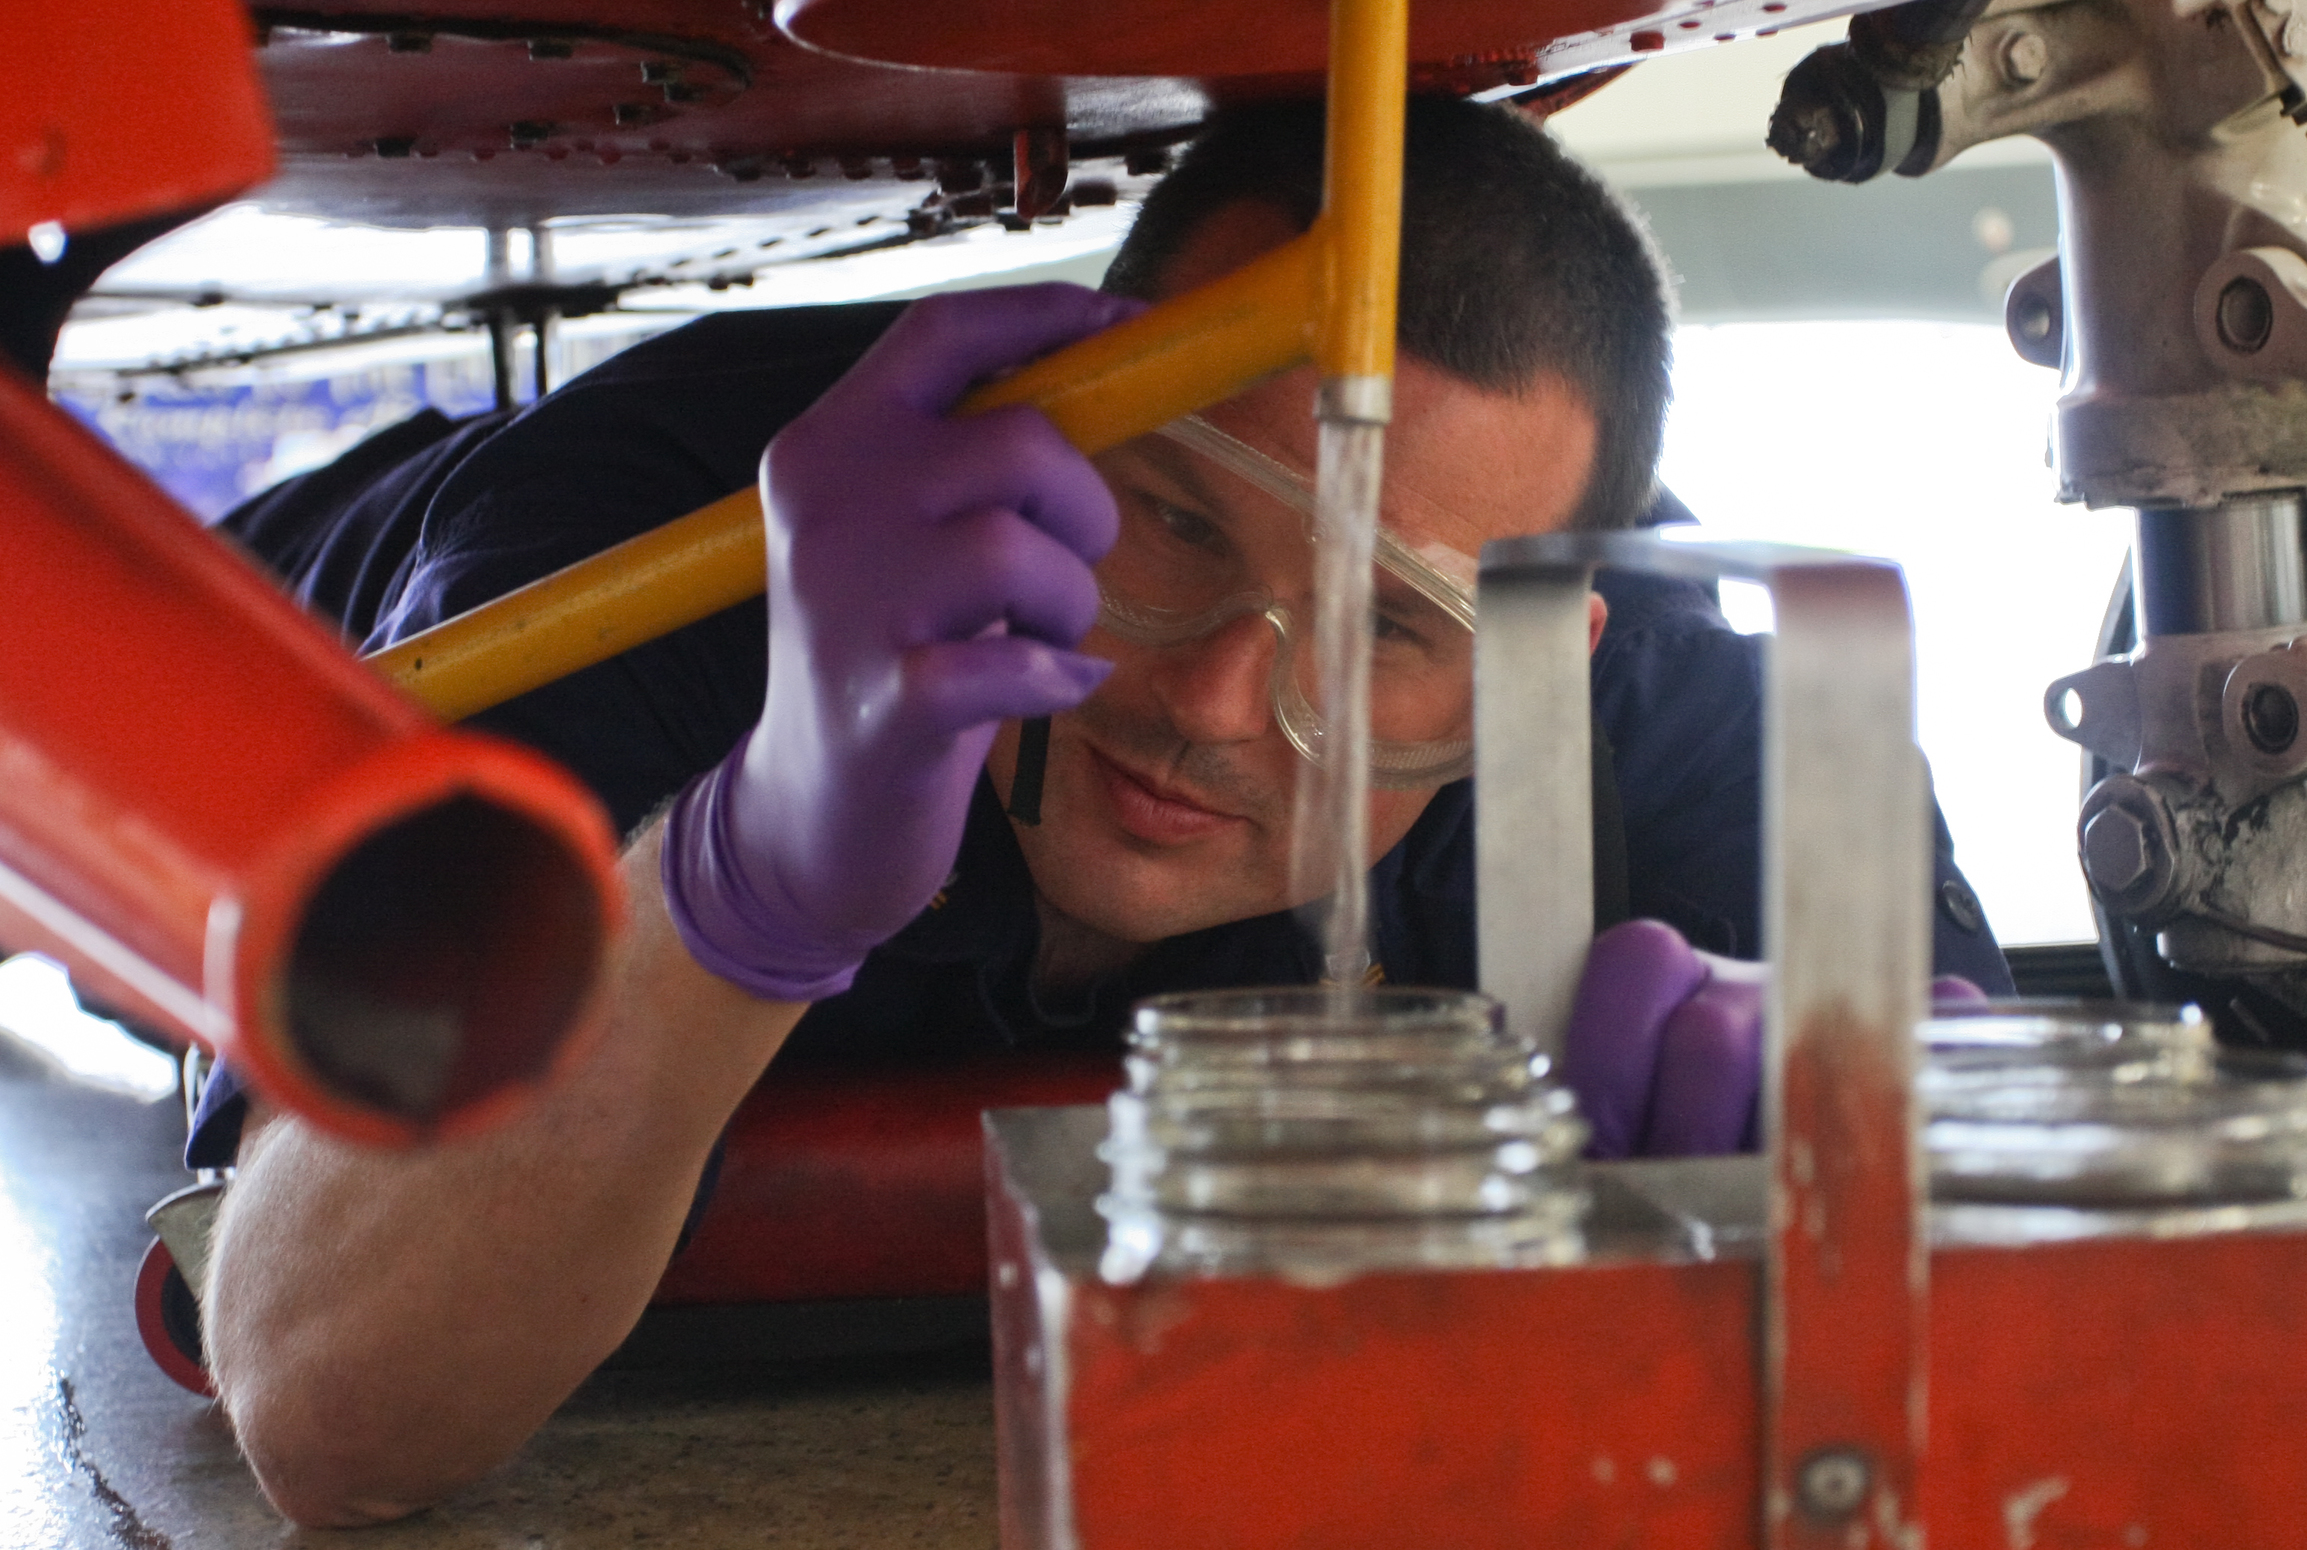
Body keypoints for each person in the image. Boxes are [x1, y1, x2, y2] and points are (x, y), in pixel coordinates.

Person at [194, 96, 2009, 1526]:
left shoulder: (1656, 693)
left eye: (1388, 626)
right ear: (1042, 423)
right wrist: (740, 874)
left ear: (1548, 655)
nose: (1222, 701)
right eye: (1175, 518)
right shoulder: (650, 557)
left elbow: (2030, 1276)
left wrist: (1871, 1125)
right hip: (231, 626)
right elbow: (323, 1410)